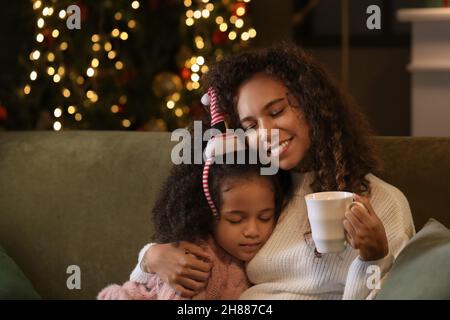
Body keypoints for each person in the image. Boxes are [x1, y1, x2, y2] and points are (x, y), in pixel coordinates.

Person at [131, 43, 415, 300]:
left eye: (277, 111)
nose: (266, 133)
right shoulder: (263, 191)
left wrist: (373, 258)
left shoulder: (383, 202)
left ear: (313, 106)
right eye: (251, 126)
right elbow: (198, 249)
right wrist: (151, 256)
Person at [98, 95, 292, 300]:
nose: (253, 231)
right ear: (207, 213)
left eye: (264, 217)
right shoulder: (198, 264)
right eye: (236, 219)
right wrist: (149, 257)